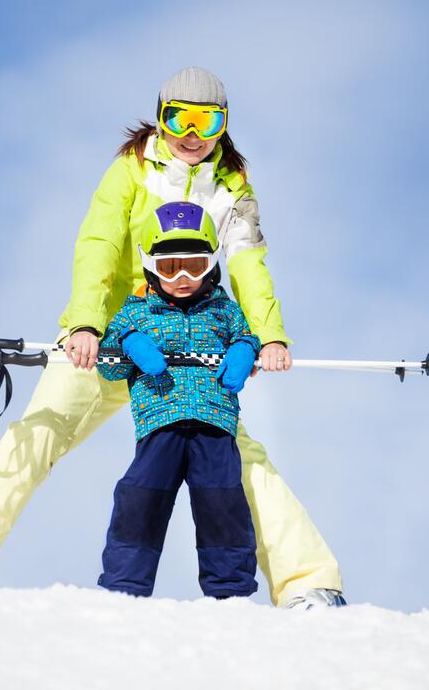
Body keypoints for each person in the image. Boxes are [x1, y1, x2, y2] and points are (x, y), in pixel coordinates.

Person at [0, 66, 346, 609]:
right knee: (41, 430)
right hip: (113, 342)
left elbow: (248, 264)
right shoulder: (132, 170)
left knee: (240, 459)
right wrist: (85, 324)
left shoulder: (233, 188)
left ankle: (309, 585)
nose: (192, 134)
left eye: (207, 120)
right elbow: (99, 242)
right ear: (161, 117)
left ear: (224, 124)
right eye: (179, 118)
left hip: (187, 356)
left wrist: (267, 336)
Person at [97, 201, 260, 599]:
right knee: (140, 497)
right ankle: (123, 587)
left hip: (214, 424)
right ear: (151, 266)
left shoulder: (222, 309)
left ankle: (230, 592)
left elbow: (245, 335)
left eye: (196, 265)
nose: (184, 278)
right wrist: (129, 342)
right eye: (170, 268)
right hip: (160, 422)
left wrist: (244, 349)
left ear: (212, 264)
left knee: (222, 503)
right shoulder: (135, 312)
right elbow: (109, 365)